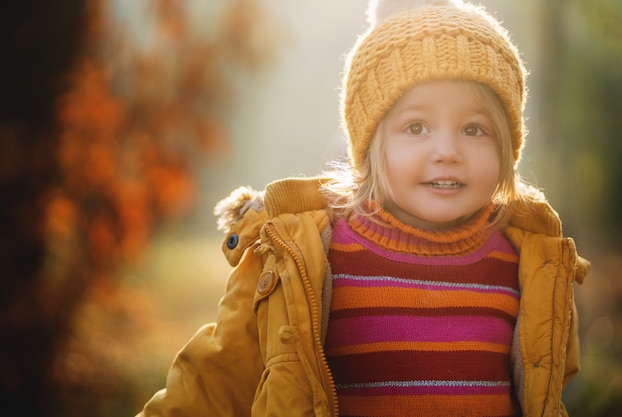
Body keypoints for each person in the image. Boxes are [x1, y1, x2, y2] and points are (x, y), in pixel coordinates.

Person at [137, 0, 590, 415]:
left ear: (508, 148)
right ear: (370, 145)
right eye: (416, 127)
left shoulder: (530, 265)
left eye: (475, 130)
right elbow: (213, 385)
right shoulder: (309, 257)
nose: (447, 150)